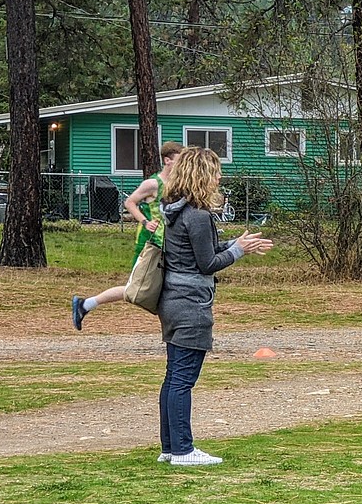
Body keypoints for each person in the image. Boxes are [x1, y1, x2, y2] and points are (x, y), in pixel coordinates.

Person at [157, 147, 273, 466]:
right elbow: (207, 263)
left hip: (172, 300)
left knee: (173, 377)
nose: (220, 177)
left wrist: (238, 245)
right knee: (183, 379)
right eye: (216, 171)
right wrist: (237, 252)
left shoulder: (178, 210)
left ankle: (170, 447)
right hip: (190, 303)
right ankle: (183, 450)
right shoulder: (198, 214)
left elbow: (197, 251)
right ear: (202, 175)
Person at [72, 141, 184, 329]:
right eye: (179, 161)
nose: (183, 165)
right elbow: (130, 202)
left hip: (169, 244)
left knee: (164, 287)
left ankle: (176, 329)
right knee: (136, 289)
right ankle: (85, 304)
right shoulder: (153, 183)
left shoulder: (178, 184)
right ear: (167, 161)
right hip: (151, 244)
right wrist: (145, 222)